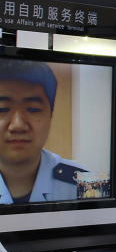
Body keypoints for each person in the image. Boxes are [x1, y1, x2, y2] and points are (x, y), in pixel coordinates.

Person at [0, 59, 86, 204]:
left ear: (50, 115)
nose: (18, 125)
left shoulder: (86, 183)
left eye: (33, 109)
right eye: (2, 109)